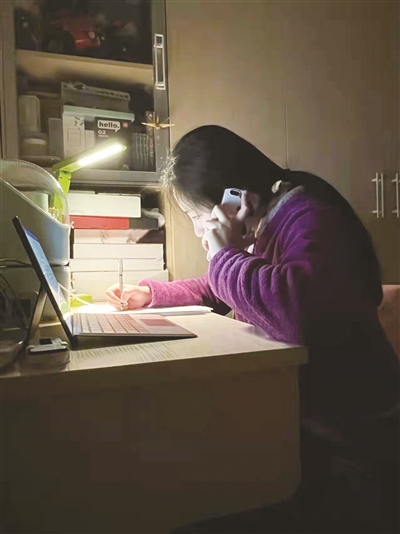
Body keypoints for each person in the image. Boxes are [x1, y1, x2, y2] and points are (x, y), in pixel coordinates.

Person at [106, 125, 399, 532]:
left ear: (235, 198)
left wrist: (225, 254)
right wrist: (152, 293)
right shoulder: (269, 223)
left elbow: (297, 310)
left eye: (198, 216)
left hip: (351, 433)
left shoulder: (307, 215)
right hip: (309, 416)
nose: (199, 230)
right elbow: (223, 285)